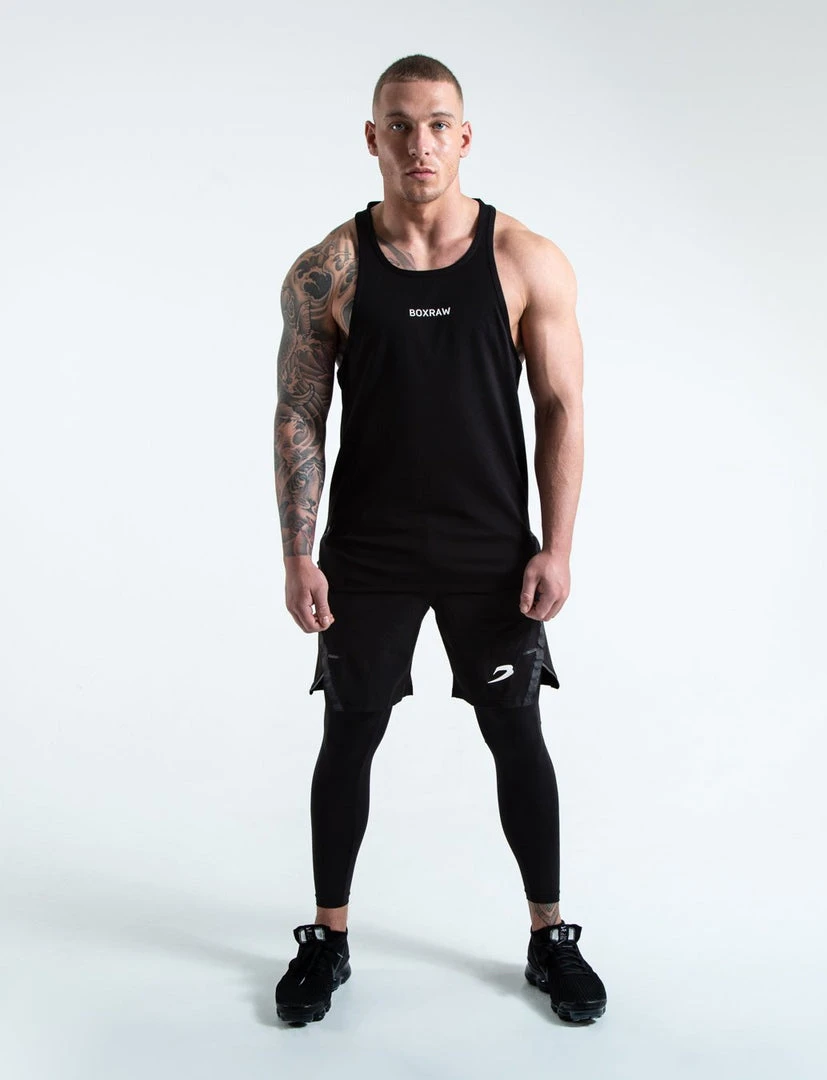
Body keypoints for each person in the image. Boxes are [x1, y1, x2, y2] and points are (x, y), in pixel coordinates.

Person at [272, 54, 606, 1026]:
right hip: (368, 551)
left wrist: (558, 547)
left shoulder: (525, 259)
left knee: (517, 736)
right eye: (400, 125)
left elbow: (561, 406)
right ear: (372, 138)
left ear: (464, 136)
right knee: (349, 734)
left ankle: (550, 935)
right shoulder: (328, 269)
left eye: (437, 124)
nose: (419, 143)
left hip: (490, 549)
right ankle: (328, 937)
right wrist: (299, 553)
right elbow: (299, 413)